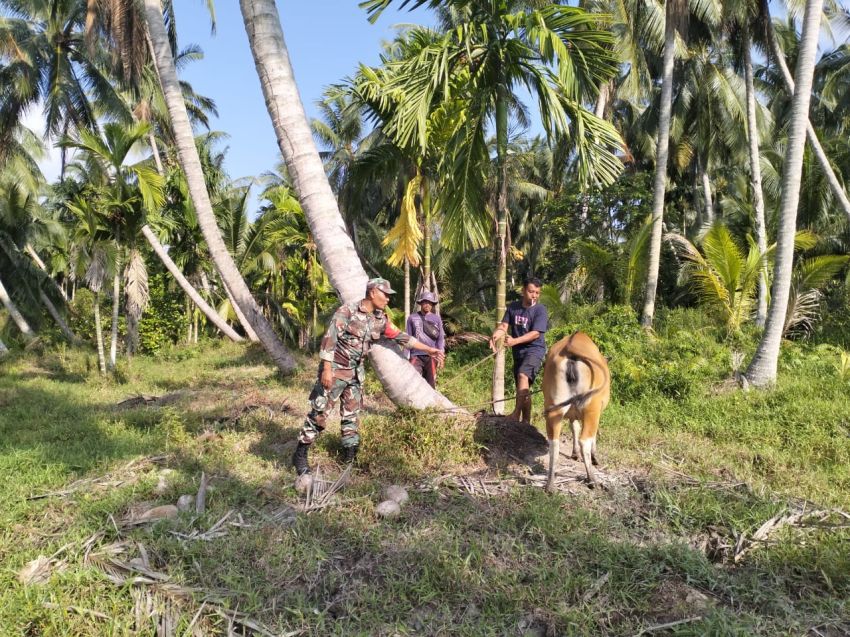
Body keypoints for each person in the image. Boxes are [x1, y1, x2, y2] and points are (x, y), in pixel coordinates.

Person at [292, 277, 445, 476]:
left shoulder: (379, 320)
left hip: (356, 374)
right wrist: (327, 370)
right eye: (385, 295)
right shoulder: (347, 311)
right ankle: (300, 455)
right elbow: (329, 340)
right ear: (373, 293)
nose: (388, 299)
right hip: (336, 372)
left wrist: (430, 350)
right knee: (320, 413)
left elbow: (402, 337)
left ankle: (349, 458)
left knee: (351, 417)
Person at [488, 277, 548, 424]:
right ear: (523, 291)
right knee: (522, 386)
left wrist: (515, 341)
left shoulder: (540, 310)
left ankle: (516, 414)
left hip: (535, 349)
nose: (534, 295)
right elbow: (504, 326)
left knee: (522, 376)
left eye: (537, 293)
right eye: (531, 291)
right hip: (518, 352)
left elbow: (536, 333)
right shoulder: (513, 307)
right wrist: (495, 335)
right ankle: (526, 422)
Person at [405, 291, 445, 388]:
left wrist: (441, 357)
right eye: (425, 302)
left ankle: (431, 403)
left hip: (432, 356)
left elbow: (440, 339)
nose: (427, 304)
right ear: (421, 303)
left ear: (432, 304)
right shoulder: (412, 318)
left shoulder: (436, 319)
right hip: (416, 355)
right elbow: (408, 337)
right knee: (413, 380)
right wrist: (406, 356)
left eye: (430, 302)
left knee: (430, 383)